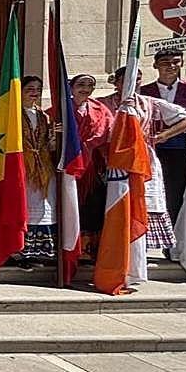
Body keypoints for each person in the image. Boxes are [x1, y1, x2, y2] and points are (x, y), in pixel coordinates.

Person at [105, 66, 186, 254]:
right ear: (117, 83)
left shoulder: (149, 103)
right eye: (127, 79)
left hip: (142, 157)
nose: (133, 83)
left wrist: (163, 136)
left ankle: (138, 251)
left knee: (142, 201)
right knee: (116, 201)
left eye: (137, 79)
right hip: (114, 159)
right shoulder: (105, 103)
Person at [140, 50, 186, 224]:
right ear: (155, 65)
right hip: (150, 150)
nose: (171, 66)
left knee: (175, 194)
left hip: (178, 149)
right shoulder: (144, 91)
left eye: (175, 62)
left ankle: (173, 239)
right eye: (165, 62)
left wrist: (165, 135)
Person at [68, 74, 114, 257]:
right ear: (72, 87)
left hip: (93, 167)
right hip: (68, 165)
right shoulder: (61, 108)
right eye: (81, 84)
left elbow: (110, 132)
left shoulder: (100, 109)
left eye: (90, 85)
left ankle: (89, 250)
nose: (85, 88)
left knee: (93, 205)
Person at [19, 76, 58, 267]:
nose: (34, 92)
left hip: (42, 165)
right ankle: (22, 252)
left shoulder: (44, 115)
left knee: (44, 206)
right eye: (30, 89)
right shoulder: (13, 114)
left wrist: (56, 135)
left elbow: (48, 143)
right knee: (25, 206)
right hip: (23, 166)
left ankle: (40, 250)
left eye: (38, 89)